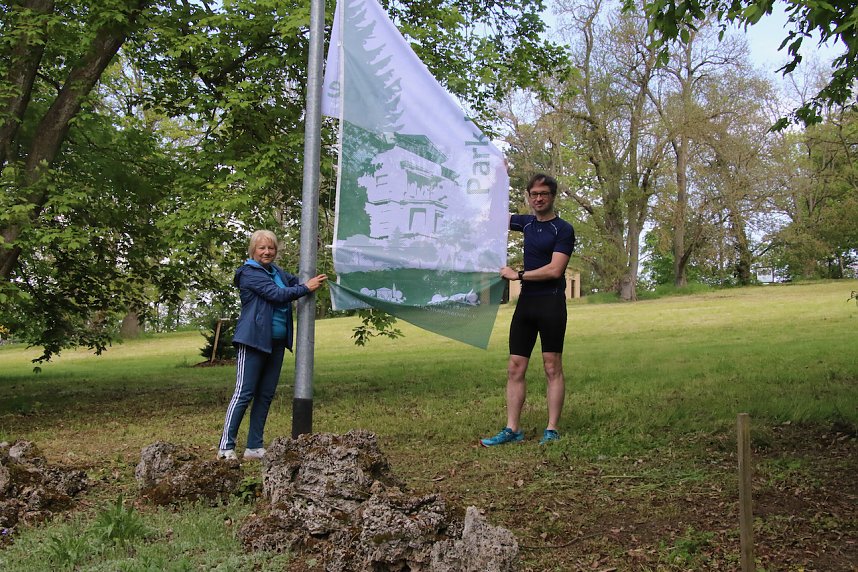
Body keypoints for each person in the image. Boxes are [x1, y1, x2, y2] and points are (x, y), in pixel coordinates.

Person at [481, 174, 575, 446]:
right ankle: (512, 429)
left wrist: (519, 275)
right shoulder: (527, 223)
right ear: (528, 196)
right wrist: (498, 176)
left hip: (551, 302)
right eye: (533, 194)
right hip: (527, 305)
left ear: (553, 196)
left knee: (551, 366)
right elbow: (492, 215)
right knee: (515, 367)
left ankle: (552, 429)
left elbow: (555, 269)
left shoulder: (563, 229)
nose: (538, 198)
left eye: (544, 193)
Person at [217, 230, 327, 460]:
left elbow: (297, 281)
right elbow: (277, 294)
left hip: (276, 342)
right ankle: (226, 447)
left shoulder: (275, 271)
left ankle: (254, 447)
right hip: (253, 340)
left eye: (271, 248)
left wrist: (313, 255)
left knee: (265, 394)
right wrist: (307, 288)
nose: (267, 252)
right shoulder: (249, 273)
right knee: (244, 393)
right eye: (262, 248)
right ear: (253, 250)